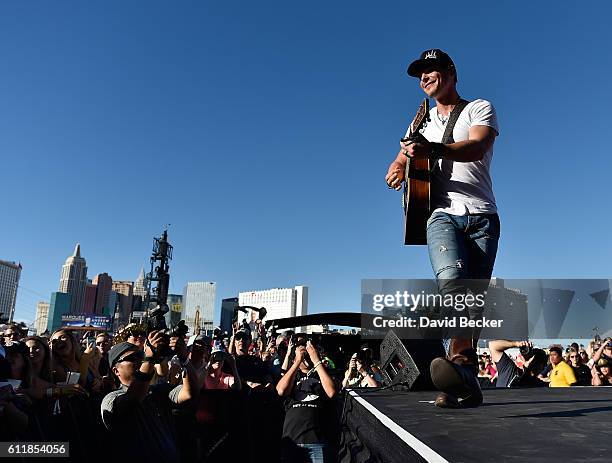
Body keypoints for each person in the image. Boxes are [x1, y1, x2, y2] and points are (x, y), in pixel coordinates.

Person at [385, 48, 500, 408]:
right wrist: (397, 171)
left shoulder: (479, 107)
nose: (424, 78)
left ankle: (463, 374)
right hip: (441, 214)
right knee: (453, 280)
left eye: (431, 70)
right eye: (420, 73)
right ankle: (460, 367)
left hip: (483, 215)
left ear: (451, 73)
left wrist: (432, 150)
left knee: (473, 299)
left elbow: (477, 146)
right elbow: (401, 156)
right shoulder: (418, 124)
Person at [101, 330, 199, 462]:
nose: (140, 361)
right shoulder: (110, 399)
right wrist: (149, 359)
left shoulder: (157, 391)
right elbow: (133, 399)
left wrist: (184, 358)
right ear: (116, 370)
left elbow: (189, 392)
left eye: (140, 356)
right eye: (132, 358)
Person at [277, 338, 336, 463]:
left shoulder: (321, 374)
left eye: (307, 353)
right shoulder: (292, 376)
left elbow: (331, 392)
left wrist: (316, 360)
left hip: (317, 441)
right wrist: (297, 361)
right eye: (303, 354)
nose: (306, 357)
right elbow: (281, 390)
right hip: (292, 441)